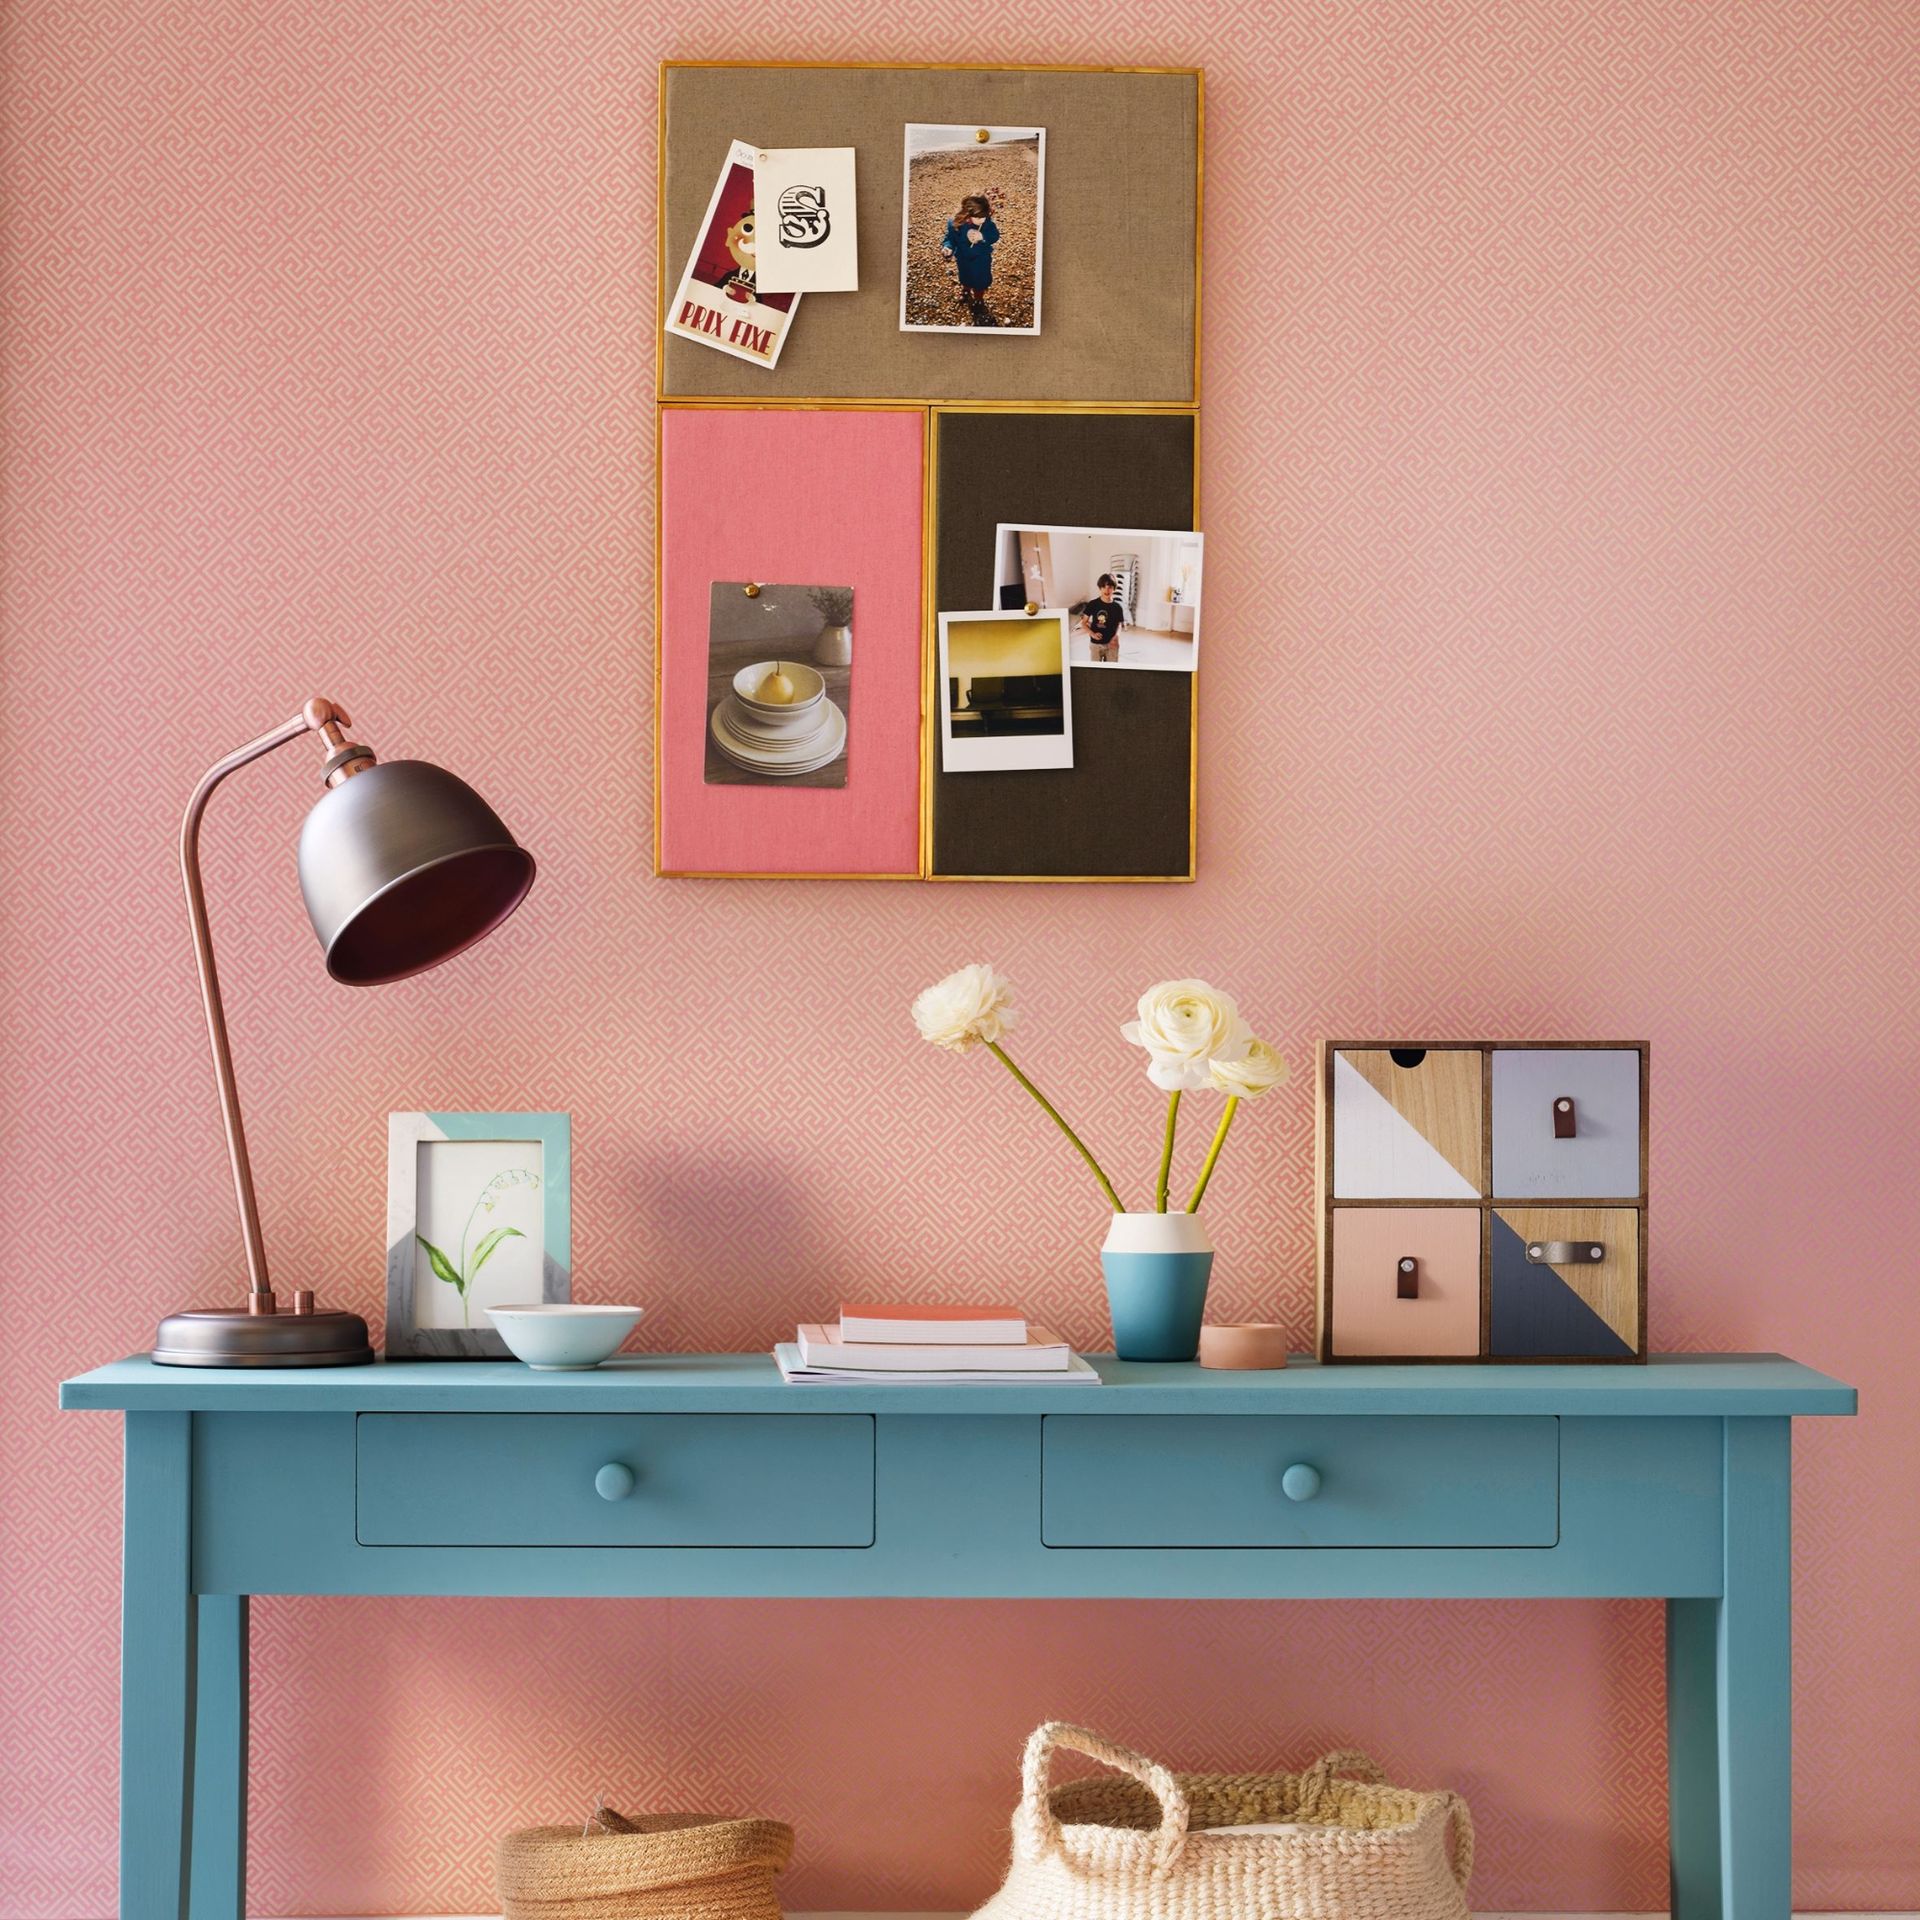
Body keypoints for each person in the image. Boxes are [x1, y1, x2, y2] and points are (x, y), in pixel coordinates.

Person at [940, 194, 1000, 325]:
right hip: (963, 259)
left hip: (982, 260)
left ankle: (979, 298)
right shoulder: (956, 224)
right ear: (967, 214)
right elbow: (950, 238)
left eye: (985, 216)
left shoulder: (987, 223)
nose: (982, 220)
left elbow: (995, 236)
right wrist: (948, 247)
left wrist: (983, 236)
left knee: (980, 280)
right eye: (978, 218)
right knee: (965, 276)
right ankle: (965, 290)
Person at [1076, 574, 1124, 662]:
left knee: (1111, 670)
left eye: (1109, 587)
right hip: (1095, 645)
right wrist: (1092, 634)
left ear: (1114, 588)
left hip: (1111, 644)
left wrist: (1116, 637)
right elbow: (1083, 623)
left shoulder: (1118, 607)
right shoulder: (1093, 604)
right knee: (1096, 671)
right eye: (1103, 587)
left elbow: (1119, 624)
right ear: (1100, 588)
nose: (1106, 590)